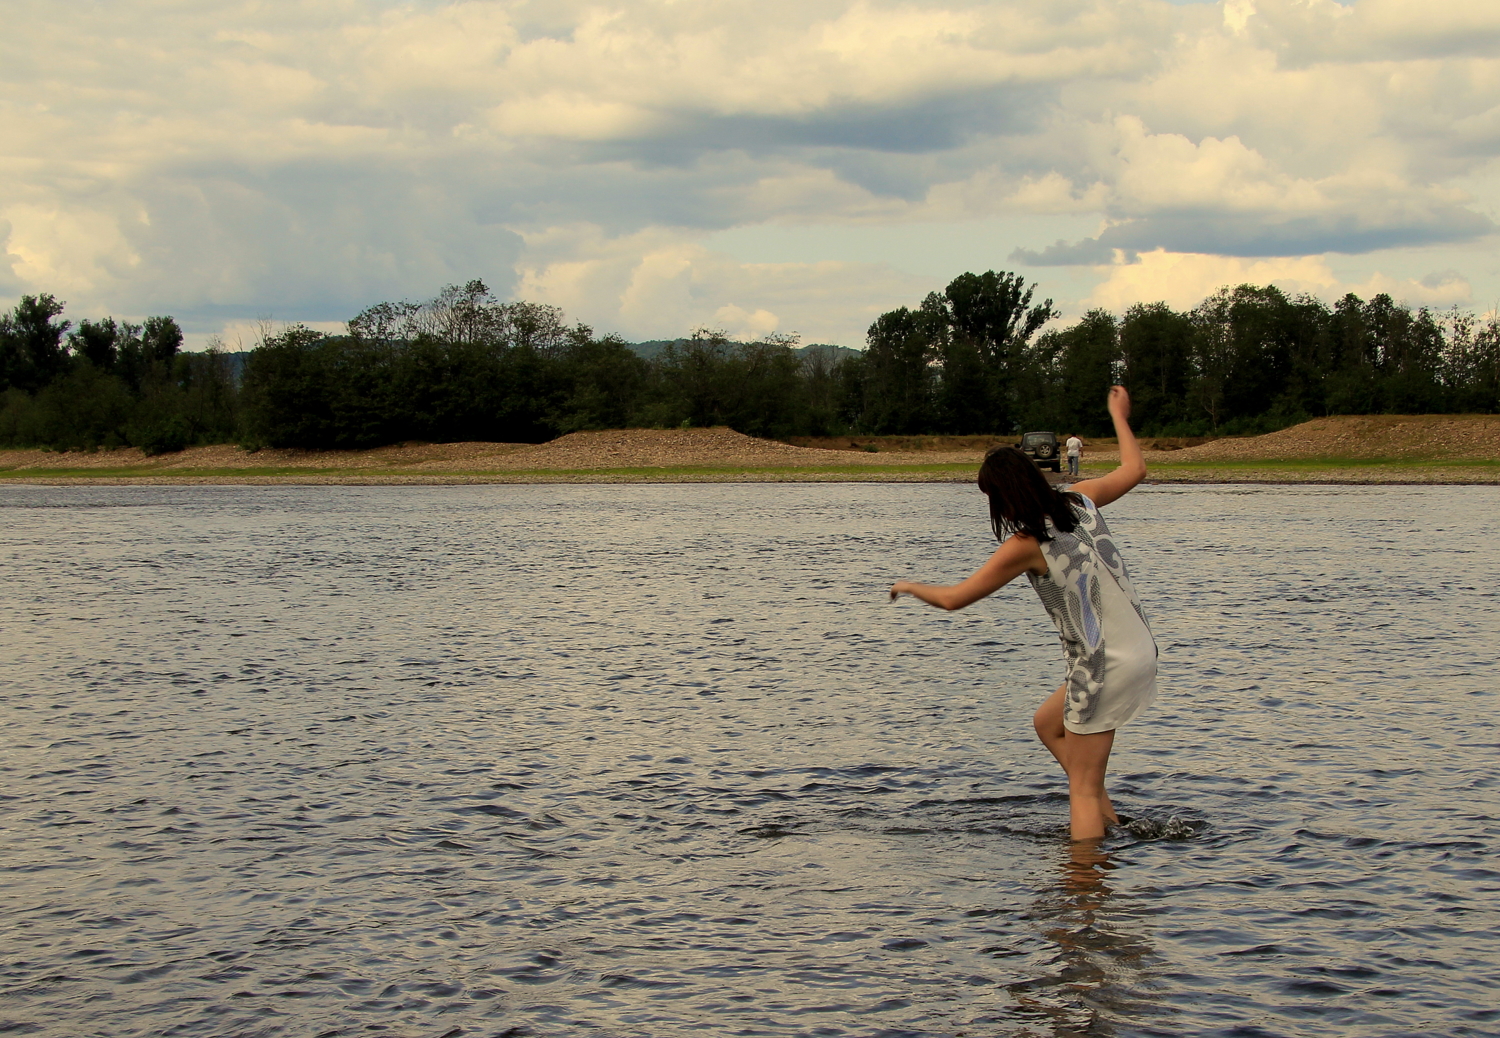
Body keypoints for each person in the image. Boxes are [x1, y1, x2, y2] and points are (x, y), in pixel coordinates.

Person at [889, 386, 1155, 842]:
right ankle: (1112, 825)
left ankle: (1084, 890)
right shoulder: (1081, 500)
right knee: (1048, 724)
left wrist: (910, 585)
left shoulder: (1026, 545)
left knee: (1082, 791)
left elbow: (955, 599)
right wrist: (1117, 413)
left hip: (1102, 665)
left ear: (1002, 498)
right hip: (1137, 650)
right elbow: (1136, 468)